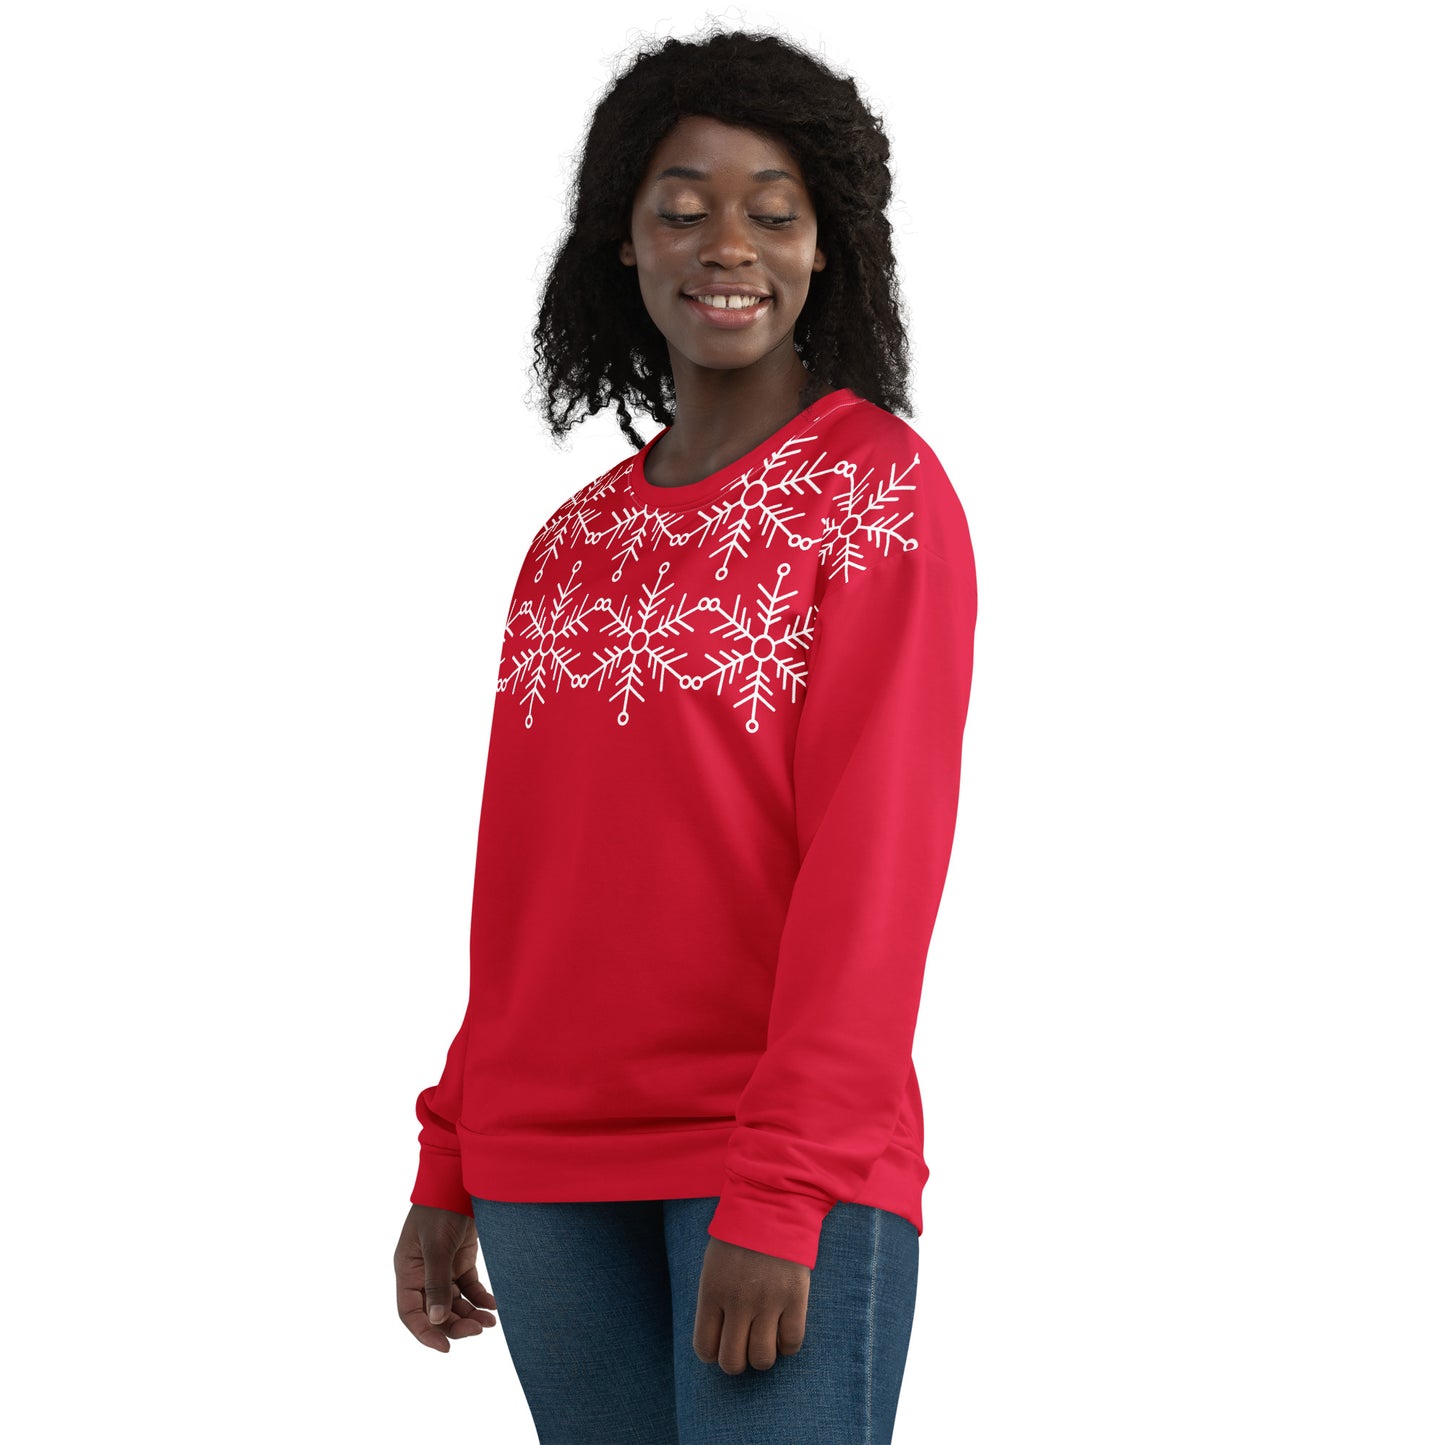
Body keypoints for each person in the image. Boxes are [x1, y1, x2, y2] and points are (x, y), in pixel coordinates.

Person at [392, 25, 979, 1444]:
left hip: (762, 1163)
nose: (728, 246)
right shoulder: (572, 542)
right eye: (682, 209)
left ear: (826, 249)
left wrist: (781, 1184)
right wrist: (449, 1153)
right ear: (624, 242)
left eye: (773, 212)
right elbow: (524, 883)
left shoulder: (877, 498)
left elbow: (874, 873)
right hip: (542, 1174)